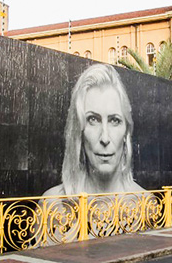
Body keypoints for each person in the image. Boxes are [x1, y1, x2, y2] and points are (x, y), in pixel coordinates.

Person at [44, 64, 146, 197]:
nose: (105, 138)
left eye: (114, 120)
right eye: (93, 120)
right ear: (78, 131)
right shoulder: (52, 205)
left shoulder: (146, 203)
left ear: (126, 131)